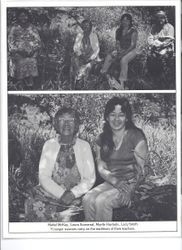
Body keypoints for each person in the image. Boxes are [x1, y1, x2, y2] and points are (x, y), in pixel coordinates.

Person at [83, 97, 148, 221]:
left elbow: (143, 171)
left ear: (127, 118)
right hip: (112, 182)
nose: (116, 119)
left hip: (132, 183)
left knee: (102, 201)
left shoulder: (136, 136)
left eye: (121, 115)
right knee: (87, 199)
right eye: (112, 115)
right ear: (107, 117)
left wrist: (130, 191)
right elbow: (101, 168)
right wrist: (115, 181)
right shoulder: (101, 139)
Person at [25, 107, 96, 222]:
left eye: (71, 120)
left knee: (72, 215)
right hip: (51, 193)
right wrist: (61, 194)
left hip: (75, 196)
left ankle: (63, 218)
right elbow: (43, 176)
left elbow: (90, 178)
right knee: (32, 203)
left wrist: (73, 194)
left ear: (76, 124)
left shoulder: (84, 146)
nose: (66, 123)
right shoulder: (49, 145)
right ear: (57, 124)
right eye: (62, 119)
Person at [101, 13, 138, 90]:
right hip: (121, 49)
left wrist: (123, 54)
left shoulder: (133, 31)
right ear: (121, 21)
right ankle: (104, 73)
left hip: (132, 50)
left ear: (130, 21)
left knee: (123, 60)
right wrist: (119, 51)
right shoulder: (118, 30)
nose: (125, 22)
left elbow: (133, 45)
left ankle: (122, 81)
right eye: (123, 20)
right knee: (109, 56)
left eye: (127, 20)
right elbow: (117, 43)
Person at [8, 9, 41, 90]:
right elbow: (10, 42)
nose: (24, 18)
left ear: (28, 17)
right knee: (20, 62)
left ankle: (30, 85)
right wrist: (19, 50)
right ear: (18, 17)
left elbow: (38, 41)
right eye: (21, 16)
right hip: (18, 52)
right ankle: (20, 84)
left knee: (31, 60)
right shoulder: (14, 28)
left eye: (25, 16)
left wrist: (33, 50)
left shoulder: (32, 28)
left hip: (31, 52)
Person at [70, 19, 100, 89]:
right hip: (80, 56)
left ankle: (82, 82)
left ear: (90, 27)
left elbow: (97, 49)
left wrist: (90, 58)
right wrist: (81, 55)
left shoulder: (94, 35)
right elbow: (75, 47)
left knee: (87, 67)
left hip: (91, 57)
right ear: (82, 27)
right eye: (84, 26)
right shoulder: (79, 35)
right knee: (75, 62)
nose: (86, 27)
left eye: (87, 26)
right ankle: (76, 81)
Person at [147, 10, 175, 83]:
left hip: (166, 48)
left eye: (161, 18)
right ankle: (152, 77)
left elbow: (169, 40)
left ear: (165, 18)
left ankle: (163, 79)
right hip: (155, 47)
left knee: (162, 57)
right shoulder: (154, 27)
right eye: (158, 18)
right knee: (149, 56)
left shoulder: (170, 27)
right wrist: (152, 44)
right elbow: (150, 37)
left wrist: (161, 45)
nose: (160, 20)